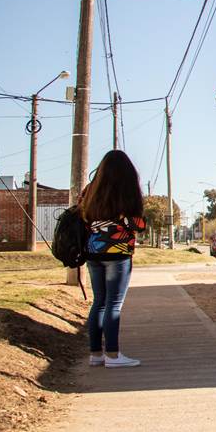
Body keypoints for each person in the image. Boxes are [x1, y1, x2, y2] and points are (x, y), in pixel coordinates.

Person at [80, 150, 146, 368]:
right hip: (118, 253)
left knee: (98, 302)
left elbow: (84, 218)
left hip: (93, 253)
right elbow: (138, 224)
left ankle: (96, 354)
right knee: (113, 305)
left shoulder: (90, 191)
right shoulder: (127, 192)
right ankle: (113, 355)